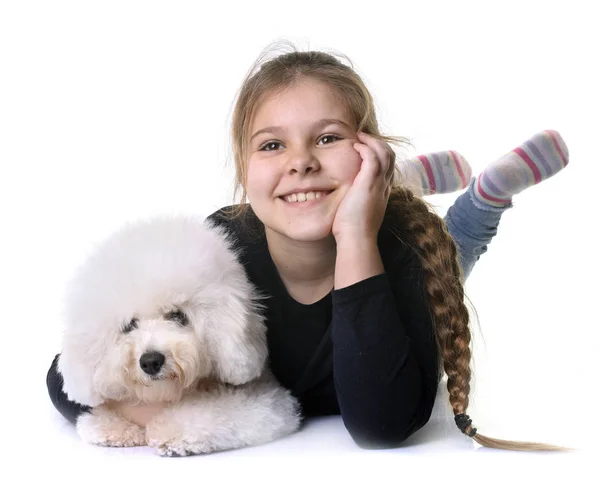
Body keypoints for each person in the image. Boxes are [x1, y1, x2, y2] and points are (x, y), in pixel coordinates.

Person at [47, 44, 570, 452]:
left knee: (455, 259)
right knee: (323, 195)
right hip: (330, 211)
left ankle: (481, 199)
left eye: (327, 139)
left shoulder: (399, 251)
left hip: (397, 260)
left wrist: (357, 235)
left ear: (368, 148)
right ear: (243, 170)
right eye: (273, 145)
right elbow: (64, 380)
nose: (299, 161)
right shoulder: (214, 252)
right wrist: (154, 409)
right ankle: (392, 183)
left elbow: (381, 426)